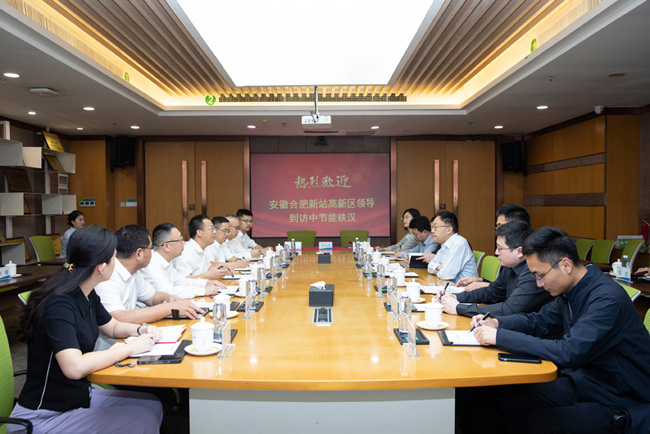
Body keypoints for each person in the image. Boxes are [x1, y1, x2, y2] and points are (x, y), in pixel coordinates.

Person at [468, 227, 650, 434]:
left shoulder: (606, 299)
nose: (539, 284)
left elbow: (569, 351)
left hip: (622, 396)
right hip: (589, 382)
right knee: (512, 397)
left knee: (542, 421)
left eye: (540, 275)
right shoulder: (571, 290)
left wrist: (499, 337)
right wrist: (497, 323)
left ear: (566, 265)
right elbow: (539, 321)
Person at [9, 225, 164, 434]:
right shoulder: (59, 303)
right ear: (101, 267)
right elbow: (74, 367)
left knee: (152, 405)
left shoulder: (86, 293)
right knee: (143, 418)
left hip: (77, 397)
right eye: (114, 258)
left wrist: (141, 330)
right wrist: (130, 348)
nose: (116, 263)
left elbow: (112, 326)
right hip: (44, 416)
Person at [95, 224, 203, 350]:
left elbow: (153, 297)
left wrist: (169, 298)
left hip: (134, 339)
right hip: (111, 348)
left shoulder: (134, 273)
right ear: (139, 254)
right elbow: (119, 318)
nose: (153, 252)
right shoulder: (107, 276)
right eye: (150, 248)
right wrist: (169, 307)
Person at [441, 221, 552, 317]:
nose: (496, 252)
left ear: (519, 251)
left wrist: (459, 308)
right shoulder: (510, 266)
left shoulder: (532, 273)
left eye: (500, 248)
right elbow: (492, 292)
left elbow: (509, 309)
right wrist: (455, 297)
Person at [456, 203, 532, 291]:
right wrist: (481, 280)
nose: (498, 231)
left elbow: (510, 295)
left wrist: (485, 285)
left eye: (500, 226)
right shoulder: (511, 259)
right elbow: (501, 287)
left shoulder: (532, 265)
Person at [140, 222, 224, 299]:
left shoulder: (167, 260)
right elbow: (167, 292)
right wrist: (202, 291)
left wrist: (206, 283)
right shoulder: (151, 263)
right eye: (180, 240)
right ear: (166, 246)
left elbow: (181, 281)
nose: (183, 242)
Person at [172, 215, 230, 280]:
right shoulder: (185, 252)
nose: (214, 232)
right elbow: (180, 281)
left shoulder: (204, 249)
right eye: (211, 229)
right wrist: (207, 276)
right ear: (199, 232)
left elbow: (208, 269)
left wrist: (222, 269)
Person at [427, 211, 478, 282]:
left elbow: (446, 275)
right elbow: (430, 267)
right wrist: (438, 267)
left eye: (435, 227)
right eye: (432, 227)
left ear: (448, 230)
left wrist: (438, 270)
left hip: (464, 287)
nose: (432, 231)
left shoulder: (459, 243)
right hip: (449, 285)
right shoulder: (444, 244)